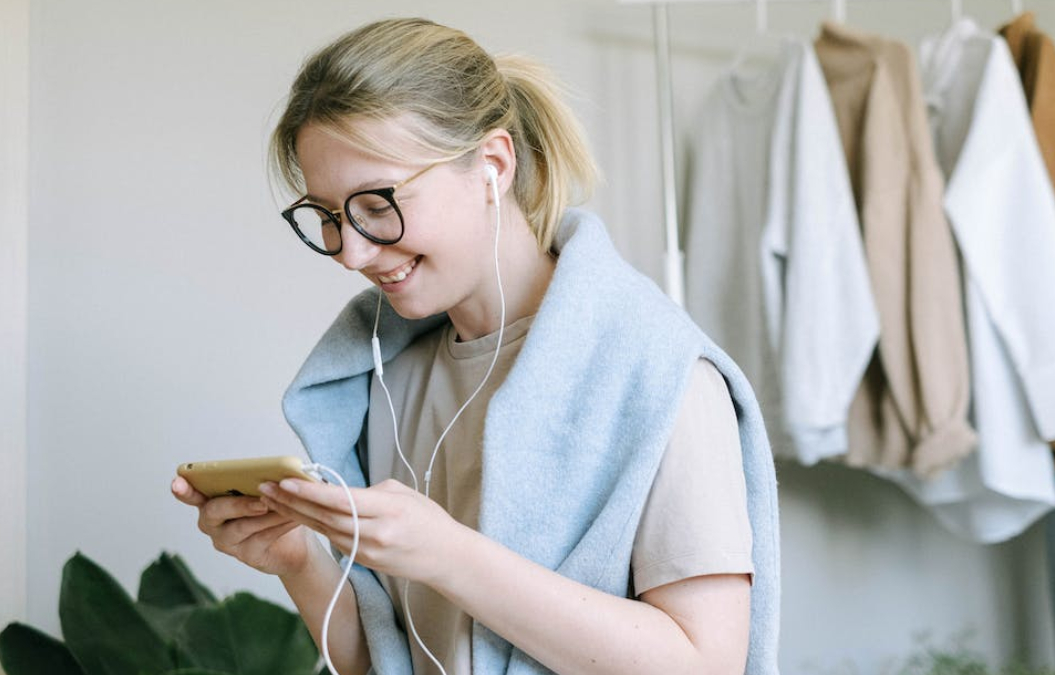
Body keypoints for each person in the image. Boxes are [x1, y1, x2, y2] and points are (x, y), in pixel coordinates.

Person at [171, 17, 779, 675]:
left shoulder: (663, 375)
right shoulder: (385, 376)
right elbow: (387, 660)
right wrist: (296, 558)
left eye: (377, 202)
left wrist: (447, 554)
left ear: (492, 165)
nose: (351, 251)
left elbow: (706, 662)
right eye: (329, 216)